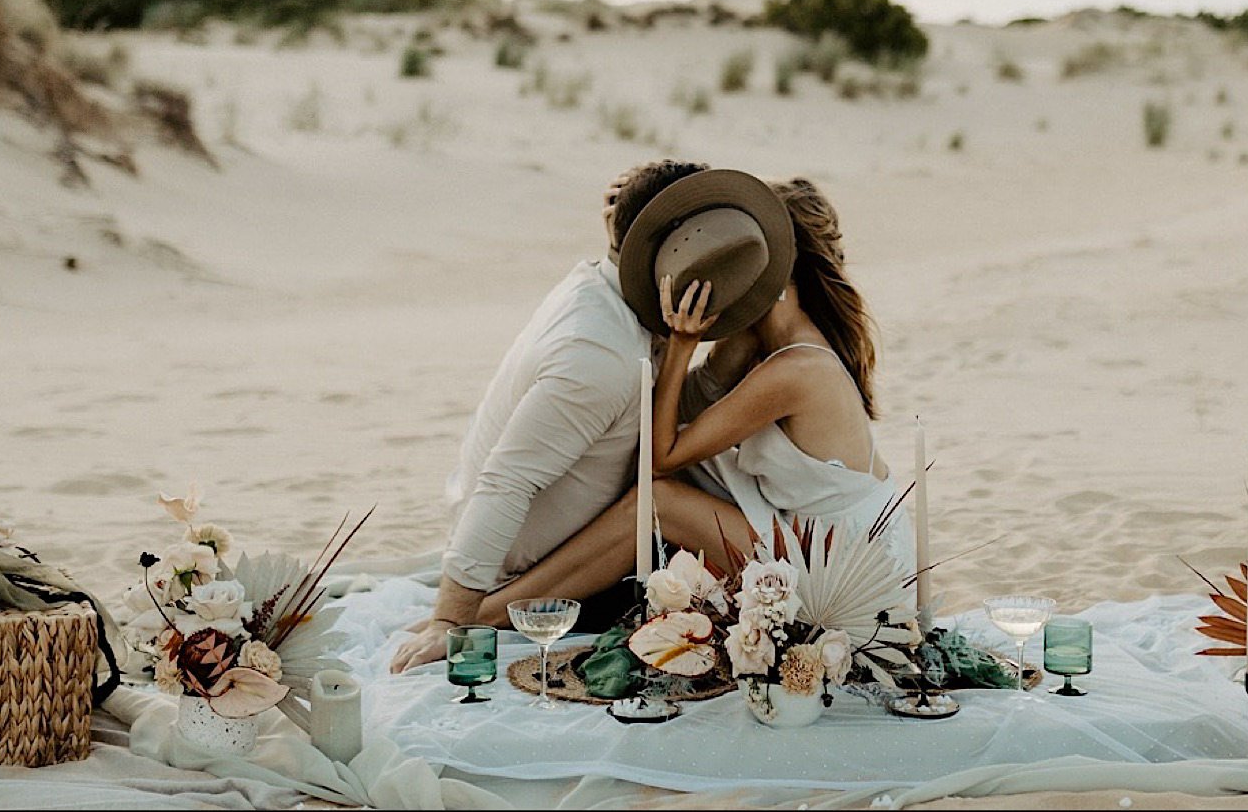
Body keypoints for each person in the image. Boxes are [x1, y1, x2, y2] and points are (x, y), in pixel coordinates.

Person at [469, 175, 911, 625]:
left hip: (839, 565)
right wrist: (628, 242)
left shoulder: (794, 370)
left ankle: (481, 617)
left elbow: (661, 456)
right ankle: (517, 600)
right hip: (811, 536)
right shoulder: (764, 344)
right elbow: (676, 411)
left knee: (656, 501)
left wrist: (683, 343)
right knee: (674, 485)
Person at [387, 158, 709, 673]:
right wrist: (449, 623)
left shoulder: (603, 288)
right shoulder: (599, 354)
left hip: (551, 551)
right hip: (531, 578)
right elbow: (506, 482)